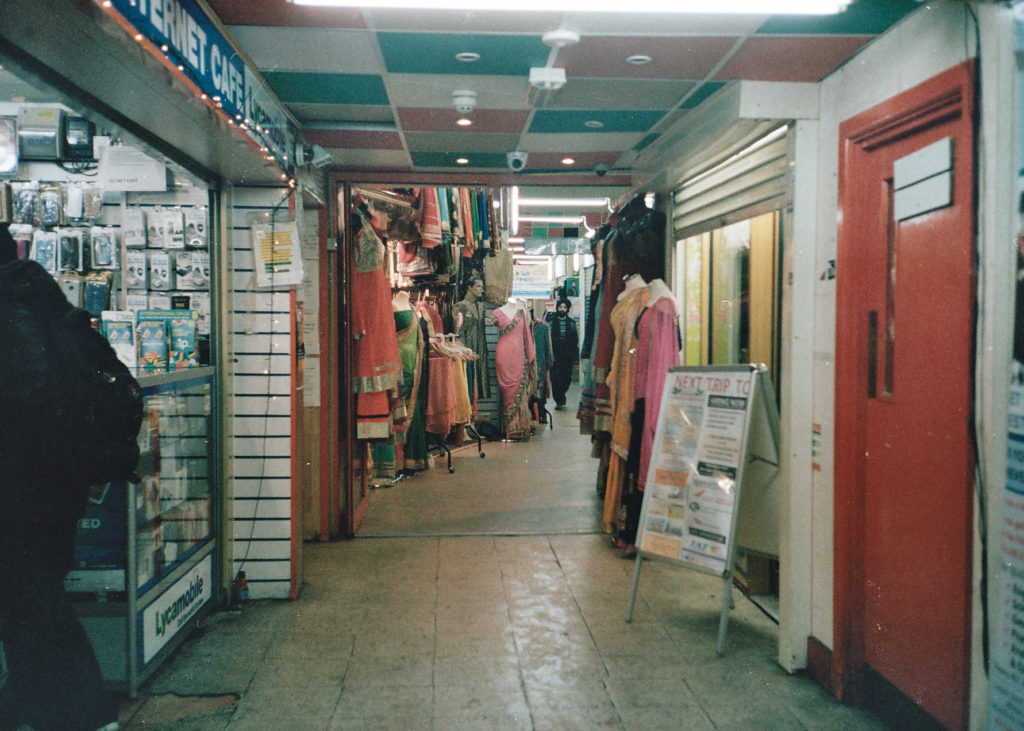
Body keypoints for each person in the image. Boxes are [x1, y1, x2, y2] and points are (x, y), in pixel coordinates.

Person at [0, 223, 120, 731]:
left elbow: (23, 404)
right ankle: (38, 707)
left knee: (30, 603)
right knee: (33, 601)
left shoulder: (13, 316)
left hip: (20, 486)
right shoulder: (48, 304)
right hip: (60, 484)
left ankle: (86, 716)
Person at [546, 297, 579, 410]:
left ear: (567, 309)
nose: (562, 309)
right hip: (555, 355)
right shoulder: (550, 322)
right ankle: (559, 400)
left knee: (567, 378)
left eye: (564, 307)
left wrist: (575, 356)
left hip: (567, 356)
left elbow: (575, 340)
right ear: (557, 308)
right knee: (555, 379)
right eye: (560, 307)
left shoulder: (572, 323)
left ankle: (562, 394)